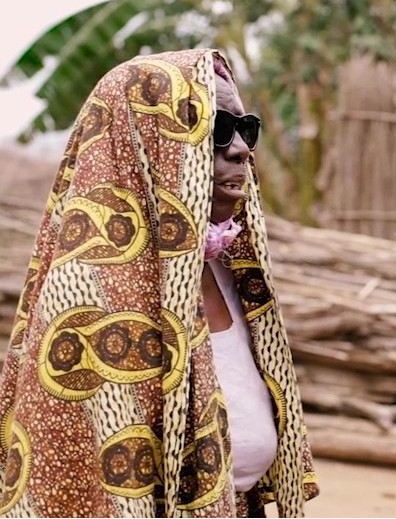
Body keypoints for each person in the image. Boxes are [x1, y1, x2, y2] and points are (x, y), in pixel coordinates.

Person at [0, 49, 319, 516]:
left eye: (245, 128)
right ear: (142, 145)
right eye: (215, 131)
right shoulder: (92, 303)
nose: (241, 149)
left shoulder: (223, 269)